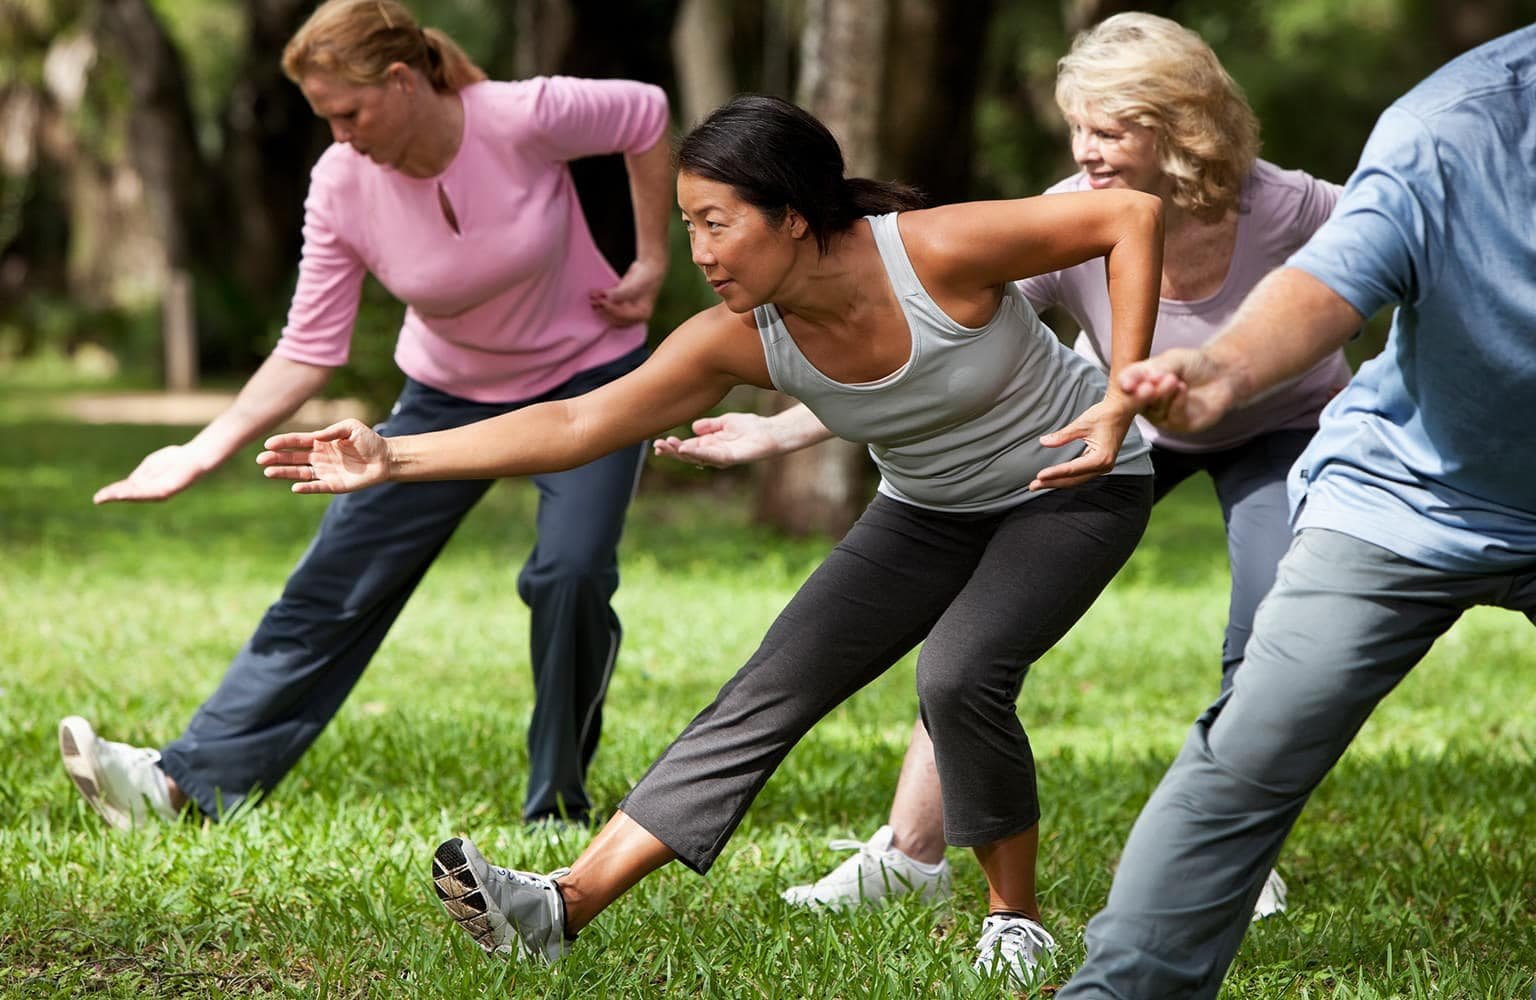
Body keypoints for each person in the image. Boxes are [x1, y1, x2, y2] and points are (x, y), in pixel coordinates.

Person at [258, 94, 1164, 980]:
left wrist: (1121, 391)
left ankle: (1015, 921)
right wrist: (396, 455)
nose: (701, 253)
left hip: (1072, 486)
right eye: (689, 225)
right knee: (769, 687)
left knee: (960, 672)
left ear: (795, 218)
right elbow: (579, 424)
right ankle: (561, 905)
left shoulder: (932, 251)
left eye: (717, 223)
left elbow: (1129, 215)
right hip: (926, 510)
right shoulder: (741, 339)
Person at [656, 12, 1345, 919]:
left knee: (1261, 637)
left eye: (1110, 128)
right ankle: (911, 852)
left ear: (1184, 127)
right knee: (972, 648)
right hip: (1113, 424)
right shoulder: (1064, 216)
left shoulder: (1291, 206)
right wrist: (780, 431)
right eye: (1077, 126)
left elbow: (1403, 258)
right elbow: (936, 361)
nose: (1085, 148)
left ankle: (1232, 850)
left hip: (1278, 427)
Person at [56, 0, 673, 830]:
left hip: (590, 378)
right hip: (445, 396)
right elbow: (310, 346)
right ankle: (180, 787)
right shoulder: (342, 183)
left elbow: (647, 112)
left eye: (350, 112)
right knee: (333, 584)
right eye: (325, 119)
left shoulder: (518, 116)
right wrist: (203, 450)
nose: (340, 135)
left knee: (571, 575)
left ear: (403, 78)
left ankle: (555, 807)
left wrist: (652, 257)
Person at [1053, 24, 1536, 998]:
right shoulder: (1458, 126)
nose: (1088, 149)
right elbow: (1332, 279)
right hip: (1412, 494)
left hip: (1301, 442)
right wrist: (1221, 366)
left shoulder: (1277, 193)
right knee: (1247, 751)